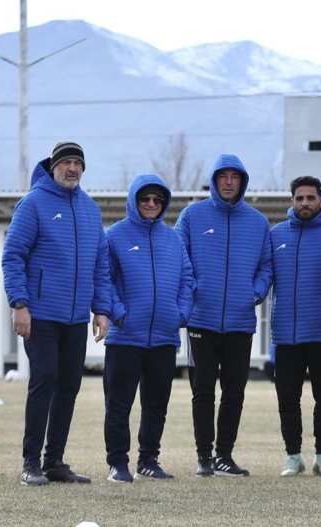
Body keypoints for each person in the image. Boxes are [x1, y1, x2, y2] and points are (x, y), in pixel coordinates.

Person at [2, 141, 111, 486]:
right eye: (66, 162)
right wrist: (20, 304)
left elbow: (100, 265)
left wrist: (101, 310)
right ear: (54, 167)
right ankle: (30, 463)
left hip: (76, 318)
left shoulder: (91, 209)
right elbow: (13, 255)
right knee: (44, 380)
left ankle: (54, 462)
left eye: (78, 163)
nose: (73, 168)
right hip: (41, 315)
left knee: (69, 387)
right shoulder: (33, 204)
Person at [175, 154, 272, 477]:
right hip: (201, 319)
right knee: (202, 391)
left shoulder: (258, 222)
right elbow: (178, 258)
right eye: (223, 176)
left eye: (235, 177)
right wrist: (194, 290)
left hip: (240, 321)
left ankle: (224, 456)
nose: (229, 182)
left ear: (242, 182)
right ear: (214, 180)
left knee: (234, 392)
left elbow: (266, 266)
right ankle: (204, 457)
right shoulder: (192, 216)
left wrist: (255, 293)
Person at [102, 174, 194, 483]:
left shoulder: (174, 239)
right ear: (134, 201)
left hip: (165, 337)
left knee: (156, 404)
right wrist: (119, 314)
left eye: (157, 200)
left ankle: (148, 459)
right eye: (145, 199)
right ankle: (117, 463)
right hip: (125, 336)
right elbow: (104, 278)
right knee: (118, 405)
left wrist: (180, 314)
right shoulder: (114, 236)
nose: (152, 204)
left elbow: (187, 280)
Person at [270, 176, 321, 478]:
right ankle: (293, 456)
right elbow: (262, 273)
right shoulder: (276, 235)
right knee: (288, 398)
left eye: (311, 198)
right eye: (299, 198)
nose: (305, 204)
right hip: (285, 333)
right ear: (292, 202)